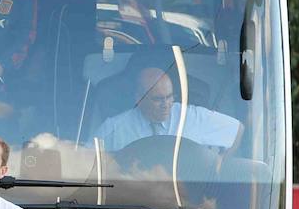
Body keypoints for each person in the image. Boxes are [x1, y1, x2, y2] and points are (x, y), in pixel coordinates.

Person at [94, 66, 243, 155]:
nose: (166, 104)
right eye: (158, 99)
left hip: (185, 201)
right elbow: (88, 160)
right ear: (139, 99)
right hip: (133, 199)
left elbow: (237, 130)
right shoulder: (114, 128)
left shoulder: (191, 117)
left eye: (170, 97)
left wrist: (217, 169)